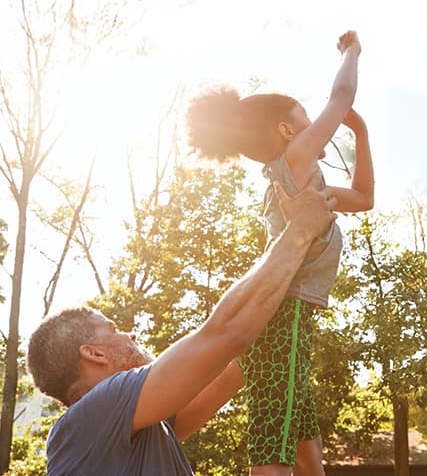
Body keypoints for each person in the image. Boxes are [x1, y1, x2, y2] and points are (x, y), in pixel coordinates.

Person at [26, 174, 338, 475]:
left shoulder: (143, 426)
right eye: (113, 329)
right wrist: (300, 230)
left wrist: (280, 244)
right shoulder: (94, 413)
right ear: (94, 354)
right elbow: (227, 335)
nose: (129, 333)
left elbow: (242, 361)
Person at [184, 29, 374, 475]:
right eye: (308, 117)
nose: (318, 123)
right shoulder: (295, 162)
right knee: (273, 434)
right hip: (282, 316)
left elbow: (364, 198)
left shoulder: (306, 184)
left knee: (303, 435)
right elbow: (342, 94)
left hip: (289, 317)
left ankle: (169, 424)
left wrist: (361, 133)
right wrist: (352, 50)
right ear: (287, 131)